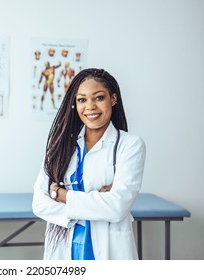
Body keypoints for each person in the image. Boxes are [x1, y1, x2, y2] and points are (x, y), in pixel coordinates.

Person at [32, 68, 146, 260]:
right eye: (82, 100)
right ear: (75, 105)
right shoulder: (59, 146)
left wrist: (62, 195)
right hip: (63, 247)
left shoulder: (130, 145)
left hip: (109, 248)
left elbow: (118, 206)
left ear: (113, 99)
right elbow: (39, 204)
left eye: (99, 98)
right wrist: (97, 204)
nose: (90, 106)